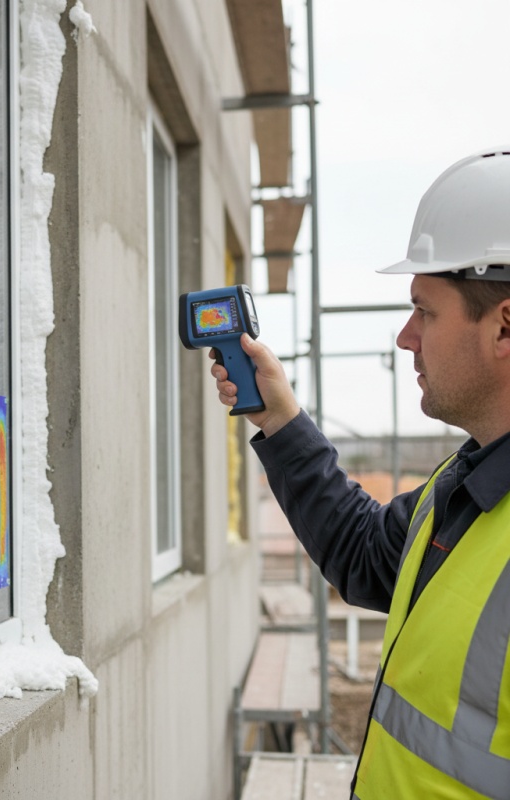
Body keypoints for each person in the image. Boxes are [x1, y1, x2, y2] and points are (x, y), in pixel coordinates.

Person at [211, 147, 510, 799]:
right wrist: (280, 419)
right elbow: (365, 555)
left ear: (504, 325)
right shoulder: (462, 486)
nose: (406, 337)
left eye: (425, 311)